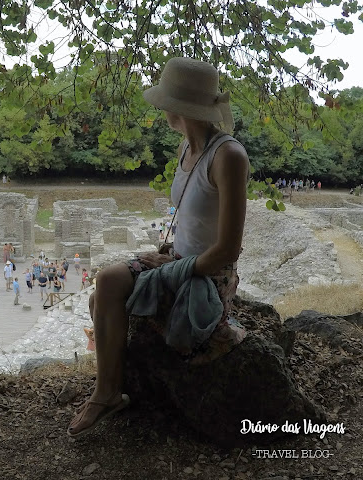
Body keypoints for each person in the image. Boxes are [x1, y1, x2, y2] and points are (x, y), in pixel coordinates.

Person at [67, 57, 249, 438]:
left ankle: (106, 393)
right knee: (103, 291)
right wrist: (167, 251)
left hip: (207, 275)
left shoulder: (228, 156)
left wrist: (171, 269)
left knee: (107, 288)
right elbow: (193, 220)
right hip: (180, 259)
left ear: (179, 107)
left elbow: (228, 250)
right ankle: (111, 389)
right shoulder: (187, 148)